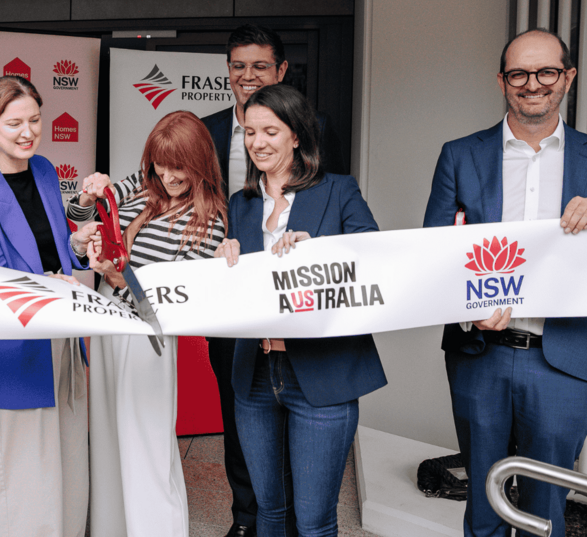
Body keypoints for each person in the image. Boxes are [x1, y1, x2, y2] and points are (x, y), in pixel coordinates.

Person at [423, 28, 587, 537]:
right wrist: (466, 304)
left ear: (568, 78)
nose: (532, 83)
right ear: (502, 80)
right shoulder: (459, 154)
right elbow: (434, 253)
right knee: (484, 505)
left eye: (547, 72)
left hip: (564, 356)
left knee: (546, 510)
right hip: (480, 355)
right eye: (519, 73)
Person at [215, 84, 386, 537]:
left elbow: (374, 258)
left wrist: (320, 252)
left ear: (296, 135)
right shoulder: (242, 203)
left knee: (313, 520)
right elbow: (239, 289)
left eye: (270, 131)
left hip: (321, 372)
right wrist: (223, 261)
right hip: (254, 373)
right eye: (250, 132)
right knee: (268, 511)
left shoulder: (339, 190)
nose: (258, 142)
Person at [200, 23, 346, 537]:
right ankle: (247, 521)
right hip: (243, 334)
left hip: (311, 343)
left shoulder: (326, 158)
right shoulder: (211, 139)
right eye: (238, 66)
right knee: (249, 446)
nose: (247, 76)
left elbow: (349, 236)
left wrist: (315, 249)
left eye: (259, 66)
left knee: (312, 504)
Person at [67, 110, 227, 537]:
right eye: (162, 163)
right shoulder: (138, 186)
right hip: (105, 321)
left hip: (147, 334)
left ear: (200, 162)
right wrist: (86, 203)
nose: (170, 175)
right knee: (105, 438)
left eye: (181, 166)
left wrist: (123, 277)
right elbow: (79, 220)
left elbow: (182, 294)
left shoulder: (209, 218)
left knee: (146, 446)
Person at [0, 76, 97, 537]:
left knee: (70, 470)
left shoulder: (45, 170)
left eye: (34, 120)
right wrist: (50, 285)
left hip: (61, 339)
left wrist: (78, 239)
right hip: (10, 350)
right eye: (14, 123)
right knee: (19, 482)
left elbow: (55, 248)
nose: (27, 132)